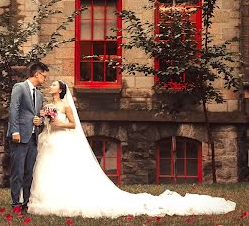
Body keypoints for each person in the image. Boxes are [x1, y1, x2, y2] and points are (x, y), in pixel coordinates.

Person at [28, 80, 236, 218]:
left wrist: (57, 124)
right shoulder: (47, 105)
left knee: (65, 169)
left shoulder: (65, 106)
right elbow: (46, 121)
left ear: (60, 89)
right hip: (49, 140)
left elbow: (73, 125)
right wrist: (43, 121)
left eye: (54, 84)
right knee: (51, 169)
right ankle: (48, 198)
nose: (51, 85)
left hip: (62, 138)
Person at [7, 61, 49, 210]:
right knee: (17, 171)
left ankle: (26, 203)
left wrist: (40, 120)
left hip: (32, 138)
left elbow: (39, 115)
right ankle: (15, 203)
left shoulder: (39, 94)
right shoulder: (19, 87)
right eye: (44, 76)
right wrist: (15, 131)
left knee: (28, 172)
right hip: (19, 136)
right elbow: (14, 109)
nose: (45, 79)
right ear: (37, 74)